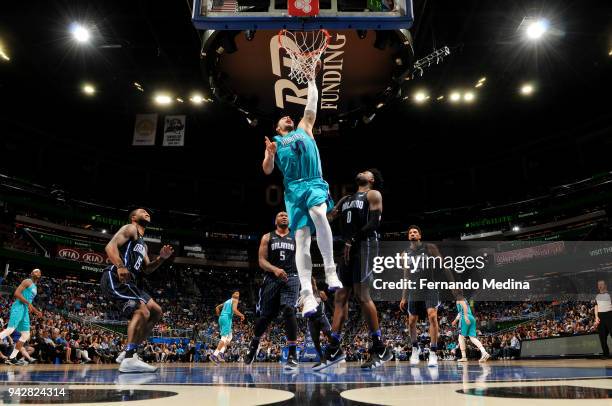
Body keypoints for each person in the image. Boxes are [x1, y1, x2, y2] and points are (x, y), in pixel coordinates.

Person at [262, 72, 343, 318]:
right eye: (283, 118)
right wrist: (270, 154)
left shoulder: (304, 127)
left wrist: (311, 81)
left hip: (314, 181)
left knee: (319, 212)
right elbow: (267, 170)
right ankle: (307, 294)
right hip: (293, 189)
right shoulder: (275, 142)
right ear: (278, 128)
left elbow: (311, 106)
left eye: (289, 116)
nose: (288, 117)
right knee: (302, 238)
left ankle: (330, 269)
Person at [318, 169, 392, 370]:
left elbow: (375, 222)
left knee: (362, 295)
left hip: (365, 245)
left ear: (371, 179)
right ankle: (334, 348)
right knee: (340, 297)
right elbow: (328, 218)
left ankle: (380, 348)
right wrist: (318, 203)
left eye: (366, 171)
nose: (361, 171)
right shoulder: (345, 199)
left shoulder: (373, 194)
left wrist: (353, 239)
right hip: (348, 248)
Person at [100, 208, 174, 373]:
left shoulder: (143, 244)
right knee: (143, 311)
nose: (147, 212)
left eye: (148, 211)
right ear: (134, 217)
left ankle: (128, 351)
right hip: (117, 276)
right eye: (142, 211)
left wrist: (161, 258)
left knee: (156, 311)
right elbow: (110, 246)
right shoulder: (130, 228)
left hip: (132, 282)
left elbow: (147, 269)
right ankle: (129, 358)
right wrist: (120, 266)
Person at [245, 212, 300, 370]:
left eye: (286, 215)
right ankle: (254, 344)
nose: (284, 216)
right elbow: (261, 260)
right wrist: (275, 269)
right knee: (266, 317)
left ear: (289, 220)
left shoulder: (296, 236)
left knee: (289, 310)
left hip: (291, 277)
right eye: (280, 215)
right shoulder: (267, 237)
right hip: (271, 278)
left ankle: (292, 354)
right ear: (275, 220)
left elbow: (304, 257)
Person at [400, 226, 447, 367]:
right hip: (414, 288)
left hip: (430, 286)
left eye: (415, 232)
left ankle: (433, 352)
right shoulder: (404, 254)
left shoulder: (429, 248)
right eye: (410, 233)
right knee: (411, 321)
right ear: (408, 237)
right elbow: (406, 276)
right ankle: (415, 348)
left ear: (420, 235)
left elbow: (441, 263)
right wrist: (403, 296)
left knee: (432, 315)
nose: (413, 234)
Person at [0, 268, 43, 365]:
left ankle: (12, 357)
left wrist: (36, 311)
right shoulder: (27, 281)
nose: (37, 273)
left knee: (25, 334)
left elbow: (30, 302)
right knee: (10, 329)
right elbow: (16, 293)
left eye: (39, 272)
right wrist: (28, 304)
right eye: (36, 271)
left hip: (25, 309)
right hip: (19, 306)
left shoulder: (35, 287)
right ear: (31, 273)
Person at [452, 293, 489, 362]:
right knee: (472, 338)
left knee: (460, 337)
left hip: (465, 318)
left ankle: (464, 357)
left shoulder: (459, 298)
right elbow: (463, 310)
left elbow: (463, 309)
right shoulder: (464, 299)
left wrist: (464, 317)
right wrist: (455, 320)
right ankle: (484, 352)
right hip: (471, 318)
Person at [211, 291, 245, 364]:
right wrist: (242, 315)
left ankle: (221, 353)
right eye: (235, 293)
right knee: (224, 338)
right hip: (226, 319)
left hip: (222, 318)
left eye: (238, 293)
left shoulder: (227, 301)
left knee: (230, 337)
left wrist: (219, 315)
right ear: (232, 295)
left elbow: (217, 308)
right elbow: (234, 310)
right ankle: (214, 355)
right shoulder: (235, 300)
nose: (237, 294)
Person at [593, 279, 611, 359]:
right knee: (602, 337)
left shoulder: (609, 294)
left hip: (610, 314)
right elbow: (596, 307)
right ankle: (606, 354)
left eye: (601, 284)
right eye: (598, 284)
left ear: (605, 285)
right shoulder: (597, 296)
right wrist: (596, 317)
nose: (600, 286)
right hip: (600, 316)